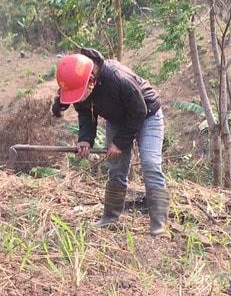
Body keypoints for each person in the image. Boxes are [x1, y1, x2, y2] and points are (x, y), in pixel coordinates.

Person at [53, 49, 169, 236]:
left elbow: (138, 111)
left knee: (150, 164)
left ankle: (159, 225)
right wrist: (85, 140)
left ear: (92, 79)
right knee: (116, 168)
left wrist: (120, 143)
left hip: (147, 115)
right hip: (117, 119)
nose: (79, 98)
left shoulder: (117, 78)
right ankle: (110, 217)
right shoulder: (79, 83)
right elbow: (85, 112)